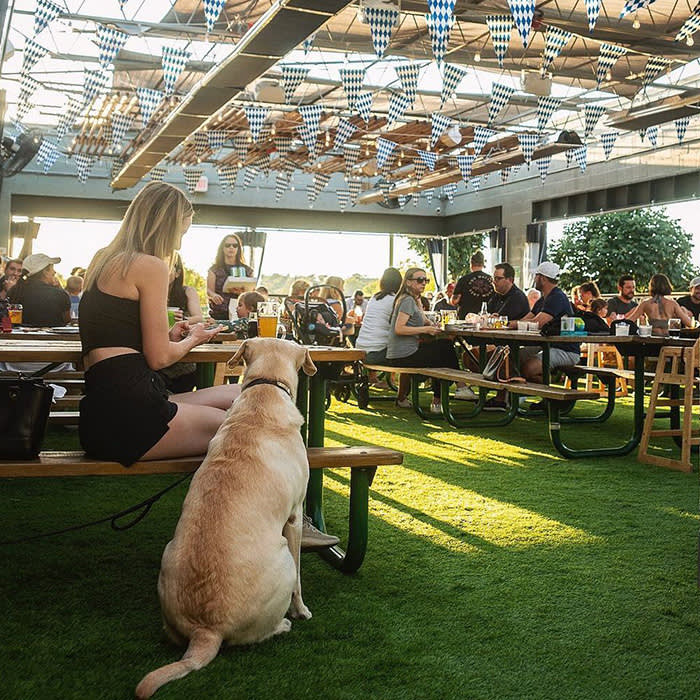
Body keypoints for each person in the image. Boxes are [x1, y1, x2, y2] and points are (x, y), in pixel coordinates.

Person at [78, 182, 240, 466]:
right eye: (181, 232)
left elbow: (114, 334)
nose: (179, 243)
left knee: (242, 393)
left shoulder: (103, 259)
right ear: (166, 225)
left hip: (100, 411)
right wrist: (193, 339)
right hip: (132, 416)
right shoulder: (150, 265)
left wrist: (168, 335)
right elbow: (160, 358)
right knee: (244, 430)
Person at [386, 268, 464, 413]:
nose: (424, 283)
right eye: (420, 280)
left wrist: (430, 325)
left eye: (425, 280)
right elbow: (399, 328)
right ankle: (457, 389)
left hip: (403, 353)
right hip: (403, 355)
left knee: (441, 352)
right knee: (445, 349)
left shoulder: (414, 299)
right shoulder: (407, 300)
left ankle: (443, 398)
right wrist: (425, 330)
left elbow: (424, 321)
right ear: (408, 282)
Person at [511, 262, 580, 384]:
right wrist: (508, 323)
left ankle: (554, 390)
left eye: (536, 276)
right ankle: (508, 397)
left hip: (565, 349)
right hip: (548, 345)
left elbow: (537, 323)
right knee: (512, 357)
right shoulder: (543, 299)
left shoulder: (557, 297)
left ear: (542, 279)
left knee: (528, 368)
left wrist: (509, 324)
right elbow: (525, 320)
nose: (534, 279)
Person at [158, 253, 204, 394]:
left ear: (178, 273)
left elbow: (198, 317)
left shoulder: (187, 291)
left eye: (168, 267)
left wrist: (183, 319)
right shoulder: (151, 291)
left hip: (181, 356)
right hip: (157, 353)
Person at [8, 253, 70, 326]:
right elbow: (67, 320)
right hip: (52, 337)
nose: (55, 272)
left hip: (19, 336)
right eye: (52, 269)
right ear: (45, 272)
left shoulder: (15, 291)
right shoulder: (59, 294)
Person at [625, 273, 693, 335]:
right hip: (668, 340)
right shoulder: (673, 304)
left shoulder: (645, 303)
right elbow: (689, 324)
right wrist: (685, 312)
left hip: (652, 340)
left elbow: (629, 322)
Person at [207, 233, 254, 320]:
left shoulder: (248, 270)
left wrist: (243, 292)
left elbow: (252, 292)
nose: (231, 248)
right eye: (228, 245)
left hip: (241, 313)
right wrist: (214, 296)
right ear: (222, 248)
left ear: (238, 248)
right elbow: (209, 290)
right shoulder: (214, 269)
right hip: (219, 312)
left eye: (235, 245)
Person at [451, 251, 493, 319]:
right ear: (482, 264)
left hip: (466, 318)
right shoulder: (491, 280)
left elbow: (454, 301)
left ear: (471, 264)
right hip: (486, 318)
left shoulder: (463, 280)